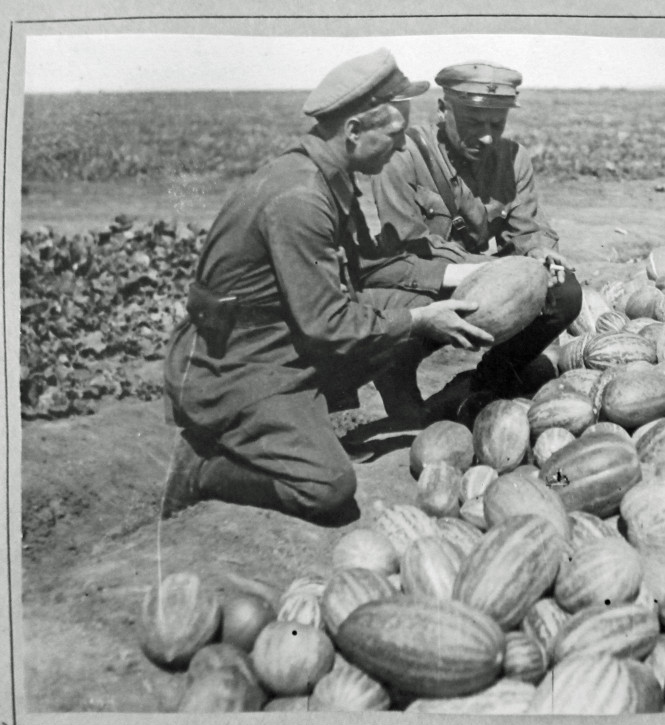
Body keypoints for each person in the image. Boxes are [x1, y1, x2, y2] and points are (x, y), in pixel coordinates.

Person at [161, 49, 493, 527]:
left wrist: (452, 279)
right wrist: (419, 320)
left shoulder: (329, 178)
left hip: (283, 334)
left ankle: (367, 414)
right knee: (328, 489)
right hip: (240, 362)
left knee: (409, 309)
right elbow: (327, 323)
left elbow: (364, 274)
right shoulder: (300, 198)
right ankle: (203, 470)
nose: (401, 149)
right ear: (354, 130)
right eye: (394, 135)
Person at [366, 60, 582, 419]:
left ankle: (485, 381)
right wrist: (494, 270)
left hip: (486, 283)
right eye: (472, 123)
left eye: (496, 124)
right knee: (390, 304)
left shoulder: (513, 159)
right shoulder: (400, 158)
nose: (486, 136)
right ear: (442, 109)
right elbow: (406, 251)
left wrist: (540, 250)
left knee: (564, 292)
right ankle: (396, 372)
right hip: (424, 283)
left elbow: (528, 229)